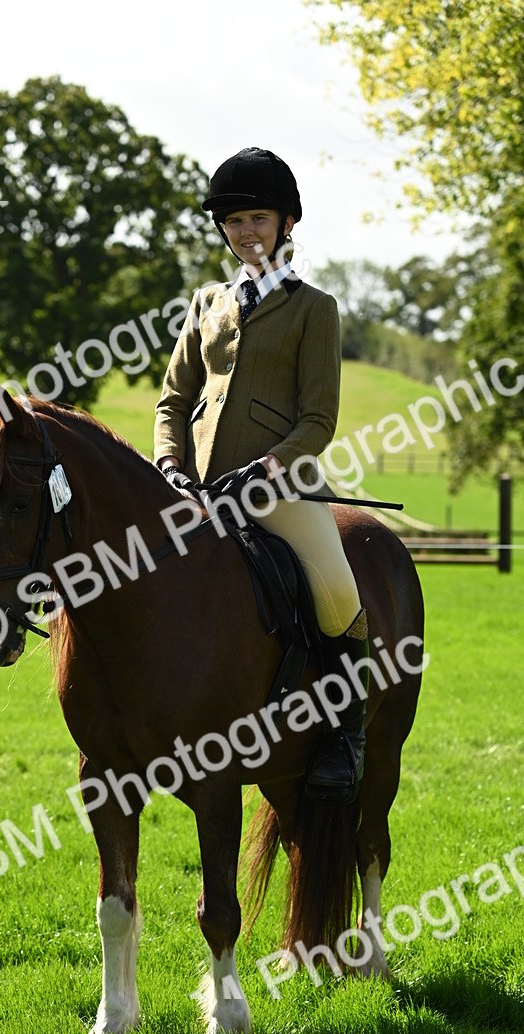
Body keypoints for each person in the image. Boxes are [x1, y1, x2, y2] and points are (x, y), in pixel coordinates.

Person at [154, 146, 369, 804]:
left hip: (278, 491)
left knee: (336, 592)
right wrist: (168, 464)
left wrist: (262, 472)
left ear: (286, 223)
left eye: (257, 218)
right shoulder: (206, 304)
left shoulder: (315, 308)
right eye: (234, 222)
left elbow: (318, 420)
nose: (245, 232)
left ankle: (345, 733)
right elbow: (172, 401)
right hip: (194, 495)